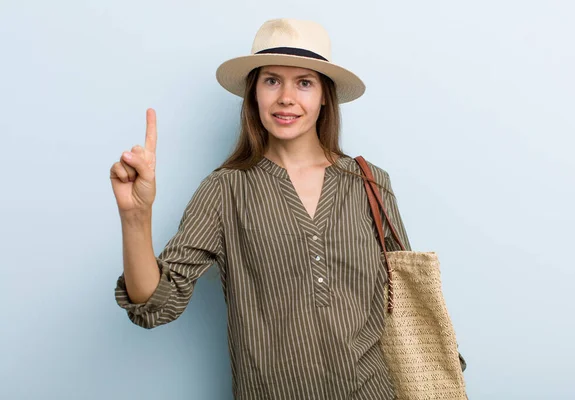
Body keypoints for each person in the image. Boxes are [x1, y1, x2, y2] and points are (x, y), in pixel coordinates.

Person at [110, 18, 413, 399]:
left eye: (304, 82)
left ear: (324, 96)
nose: (286, 97)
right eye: (272, 80)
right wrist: (135, 216)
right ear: (254, 93)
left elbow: (408, 300)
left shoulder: (370, 183)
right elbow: (156, 305)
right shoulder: (225, 189)